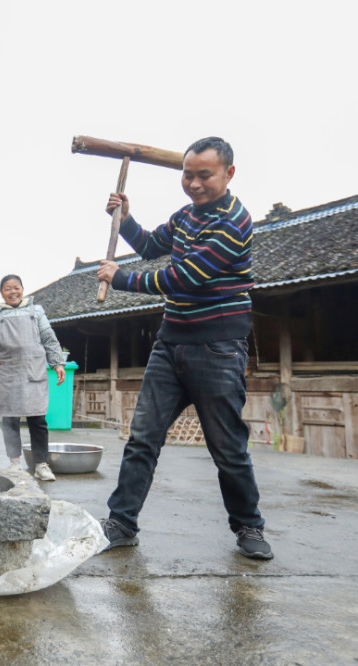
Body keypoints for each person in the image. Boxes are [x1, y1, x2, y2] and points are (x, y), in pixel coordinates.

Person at [95, 136, 272, 560]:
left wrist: (121, 279)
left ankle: (248, 526)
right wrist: (127, 218)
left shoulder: (234, 222)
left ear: (229, 174)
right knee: (142, 439)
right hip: (170, 343)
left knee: (228, 449)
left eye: (204, 175)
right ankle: (121, 522)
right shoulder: (186, 216)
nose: (193, 184)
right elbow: (154, 246)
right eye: (187, 175)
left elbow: (184, 277)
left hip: (217, 349)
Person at [0, 274, 66, 481]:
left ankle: (41, 465)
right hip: (7, 373)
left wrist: (57, 363)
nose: (12, 292)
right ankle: (14, 463)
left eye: (16, 287)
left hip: (33, 370)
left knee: (38, 420)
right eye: (7, 289)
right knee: (10, 420)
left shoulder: (36, 312)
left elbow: (49, 337)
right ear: (2, 293)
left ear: (23, 289)